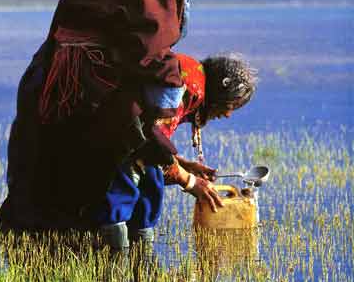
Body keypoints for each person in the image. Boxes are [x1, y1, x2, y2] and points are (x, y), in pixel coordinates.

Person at [0, 0, 220, 236]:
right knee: (112, 165)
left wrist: (174, 159)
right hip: (86, 79)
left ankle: (108, 272)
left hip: (73, 74)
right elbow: (150, 38)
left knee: (61, 179)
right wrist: (170, 86)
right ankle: (116, 269)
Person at [97, 52, 257, 250]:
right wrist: (190, 182)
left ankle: (140, 259)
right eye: (230, 105)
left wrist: (184, 166)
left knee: (151, 184)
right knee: (134, 184)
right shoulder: (188, 86)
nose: (228, 114)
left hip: (129, 133)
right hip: (121, 135)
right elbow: (151, 144)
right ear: (220, 93)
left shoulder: (192, 75)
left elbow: (153, 139)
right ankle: (116, 258)